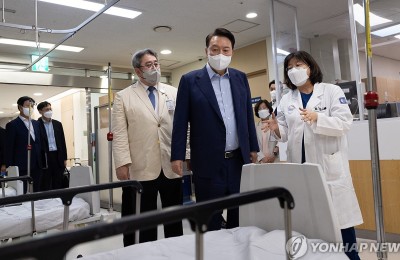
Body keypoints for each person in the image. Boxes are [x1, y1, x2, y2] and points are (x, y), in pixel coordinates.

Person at [263, 51, 363, 260]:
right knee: (310, 225)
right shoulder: (286, 100)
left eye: (299, 65)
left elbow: (345, 122)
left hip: (329, 169)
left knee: (341, 225)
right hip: (301, 171)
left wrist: (318, 117)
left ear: (310, 67)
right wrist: (275, 128)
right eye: (289, 68)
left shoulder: (331, 91)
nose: (294, 70)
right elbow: (286, 135)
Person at [171, 28, 259, 231]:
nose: (220, 54)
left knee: (240, 217)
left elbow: (246, 114)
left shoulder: (240, 78)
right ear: (206, 50)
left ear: (232, 52)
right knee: (209, 219)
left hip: (238, 161)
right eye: (215, 49)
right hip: (207, 163)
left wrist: (253, 148)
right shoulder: (190, 80)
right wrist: (177, 155)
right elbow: (180, 121)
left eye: (226, 50)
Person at [112, 48, 183, 246]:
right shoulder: (124, 97)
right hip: (140, 167)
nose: (154, 68)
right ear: (138, 71)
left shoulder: (173, 92)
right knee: (143, 222)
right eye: (149, 65)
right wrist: (122, 163)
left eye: (156, 63)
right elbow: (119, 134)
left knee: (174, 219)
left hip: (170, 164)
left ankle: (175, 252)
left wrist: (183, 155)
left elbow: (182, 127)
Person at [5, 96, 43, 192]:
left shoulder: (36, 124)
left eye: (32, 106)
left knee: (37, 190)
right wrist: (9, 166)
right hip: (21, 164)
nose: (31, 108)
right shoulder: (12, 125)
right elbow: (9, 147)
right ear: (20, 107)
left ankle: (36, 206)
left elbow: (39, 143)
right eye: (28, 106)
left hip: (37, 164)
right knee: (22, 191)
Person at [37, 101, 68, 190]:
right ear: (40, 111)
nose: (49, 111)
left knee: (58, 180)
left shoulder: (57, 124)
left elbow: (62, 141)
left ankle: (58, 199)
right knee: (46, 181)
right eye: (46, 109)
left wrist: (64, 158)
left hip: (57, 155)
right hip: (45, 156)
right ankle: (47, 200)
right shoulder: (37, 124)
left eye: (50, 109)